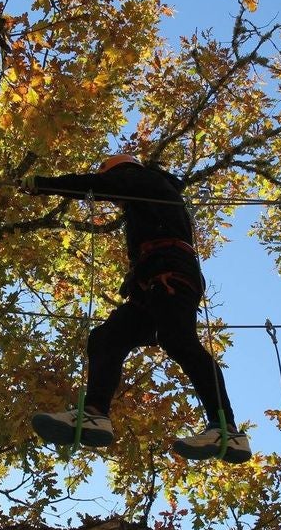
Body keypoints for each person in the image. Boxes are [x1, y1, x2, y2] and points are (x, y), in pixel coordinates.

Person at [21, 154, 251, 463]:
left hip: (170, 275)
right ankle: (94, 413)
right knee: (106, 338)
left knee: (177, 339)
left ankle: (227, 429)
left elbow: (97, 185)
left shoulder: (142, 179)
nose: (118, 204)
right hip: (151, 286)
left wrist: (43, 184)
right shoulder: (149, 198)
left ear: (118, 171)